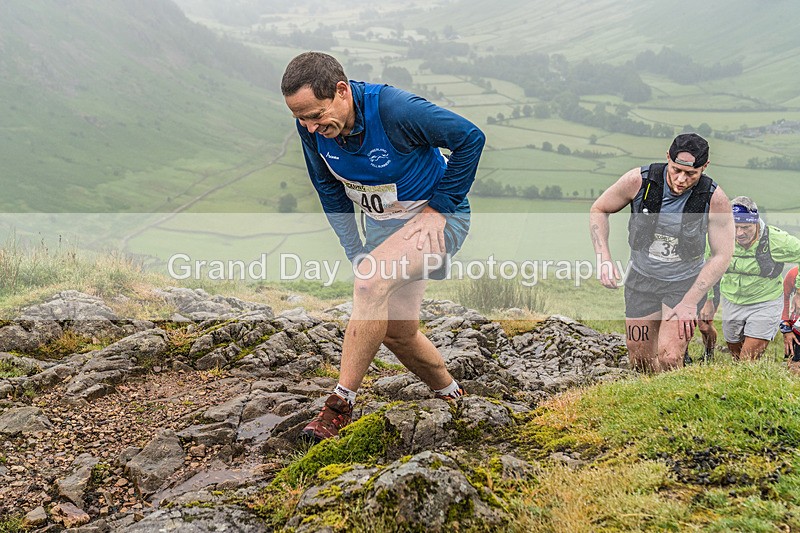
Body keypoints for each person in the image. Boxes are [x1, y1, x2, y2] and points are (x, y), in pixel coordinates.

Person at [280, 52, 485, 442]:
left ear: (342, 91)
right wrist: (356, 252)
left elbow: (470, 138)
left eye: (316, 115)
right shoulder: (312, 129)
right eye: (301, 118)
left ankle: (339, 406)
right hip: (382, 230)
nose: (308, 126)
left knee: (369, 284)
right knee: (396, 330)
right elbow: (330, 193)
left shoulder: (394, 110)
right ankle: (452, 394)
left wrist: (439, 210)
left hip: (435, 223)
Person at [590, 133, 734, 373]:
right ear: (667, 157)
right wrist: (603, 257)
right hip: (641, 278)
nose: (681, 179)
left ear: (704, 167)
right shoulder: (639, 181)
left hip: (684, 284)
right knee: (640, 360)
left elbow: (722, 255)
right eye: (676, 170)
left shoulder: (715, 199)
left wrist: (690, 302)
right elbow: (599, 209)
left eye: (691, 174)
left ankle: (674, 405)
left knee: (669, 358)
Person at [712, 197, 800, 360]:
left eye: (746, 227)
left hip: (765, 301)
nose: (739, 233)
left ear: (756, 222)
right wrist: (708, 298)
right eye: (735, 227)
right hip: (732, 300)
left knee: (748, 359)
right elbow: (705, 262)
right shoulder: (719, 235)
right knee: (735, 353)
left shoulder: (776, 240)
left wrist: (799, 291)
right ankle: (740, 381)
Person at [780, 266, 800, 372]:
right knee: (794, 365)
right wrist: (786, 328)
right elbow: (784, 298)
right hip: (796, 329)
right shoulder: (794, 273)